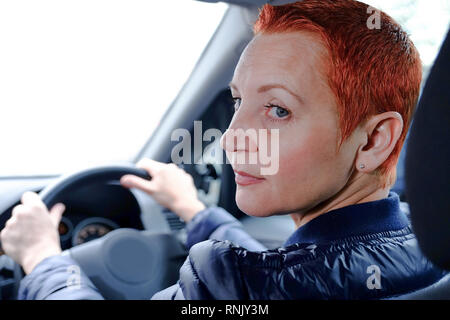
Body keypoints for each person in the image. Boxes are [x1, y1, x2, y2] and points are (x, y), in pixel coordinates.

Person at [1, 0, 446, 300]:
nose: (232, 137)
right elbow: (297, 270)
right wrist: (195, 212)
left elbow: (264, 278)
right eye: (237, 101)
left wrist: (42, 258)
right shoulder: (421, 246)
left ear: (373, 140)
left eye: (276, 109)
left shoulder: (227, 287)